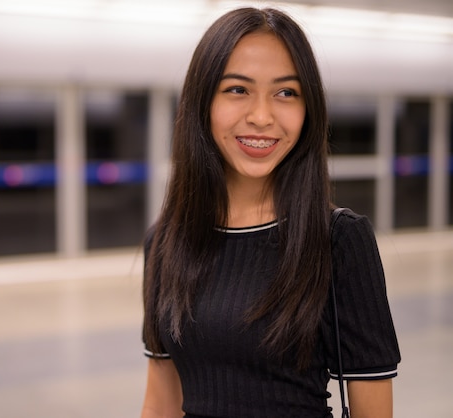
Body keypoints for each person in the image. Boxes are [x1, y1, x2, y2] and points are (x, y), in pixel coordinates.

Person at [141, 7, 400, 418]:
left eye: (286, 93)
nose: (262, 117)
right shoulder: (165, 241)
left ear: (308, 109)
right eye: (237, 90)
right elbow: (160, 402)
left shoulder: (338, 239)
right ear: (202, 103)